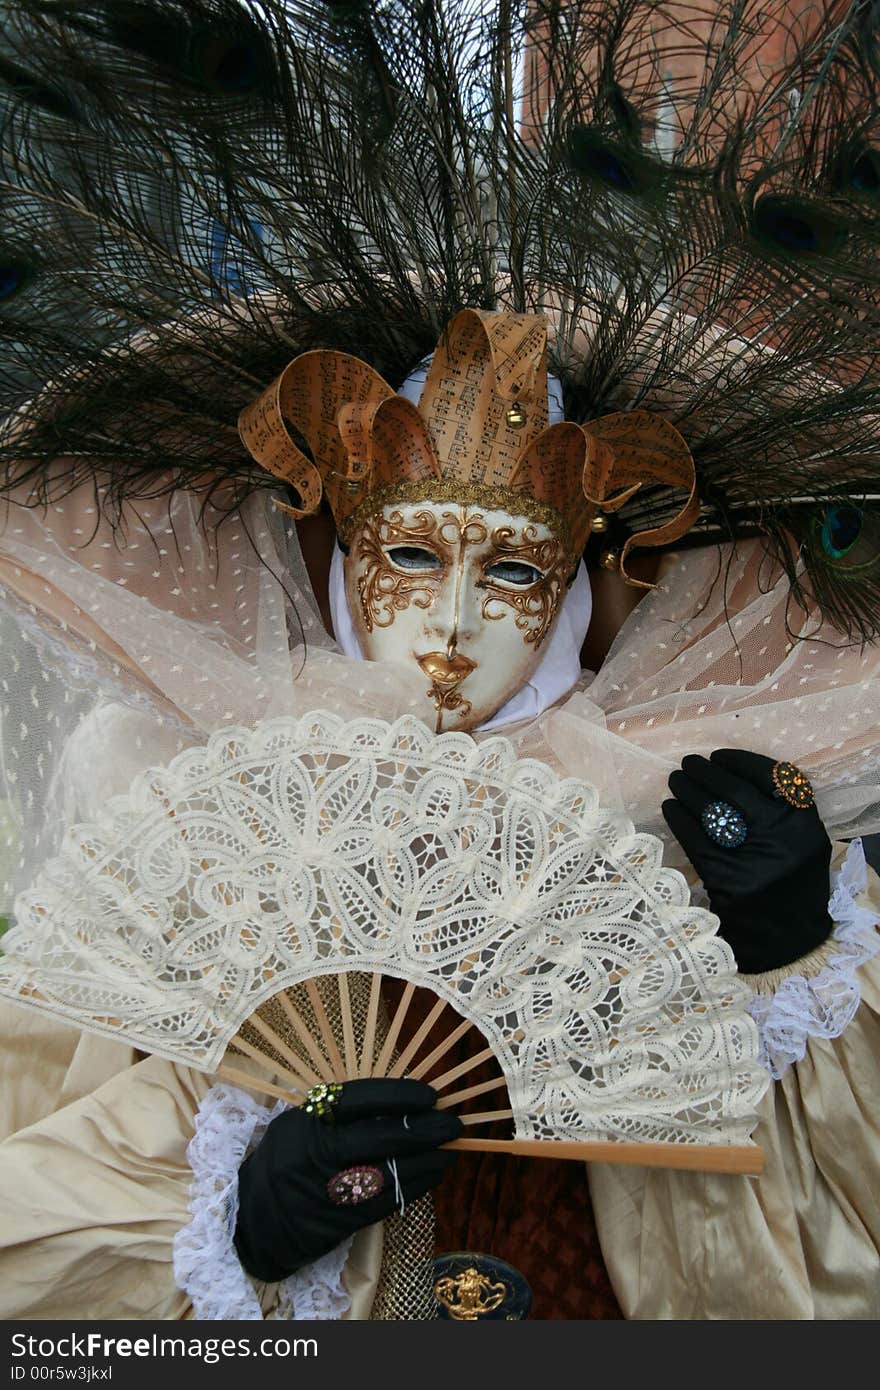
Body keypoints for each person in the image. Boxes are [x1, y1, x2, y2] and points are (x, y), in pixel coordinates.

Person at [0, 0, 878, 1320]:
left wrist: (795, 953)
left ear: (591, 578)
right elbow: (33, 1182)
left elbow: (840, 1244)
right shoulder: (168, 778)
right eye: (410, 555)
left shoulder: (723, 798)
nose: (457, 620)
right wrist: (235, 1214)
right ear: (334, 543)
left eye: (516, 568)